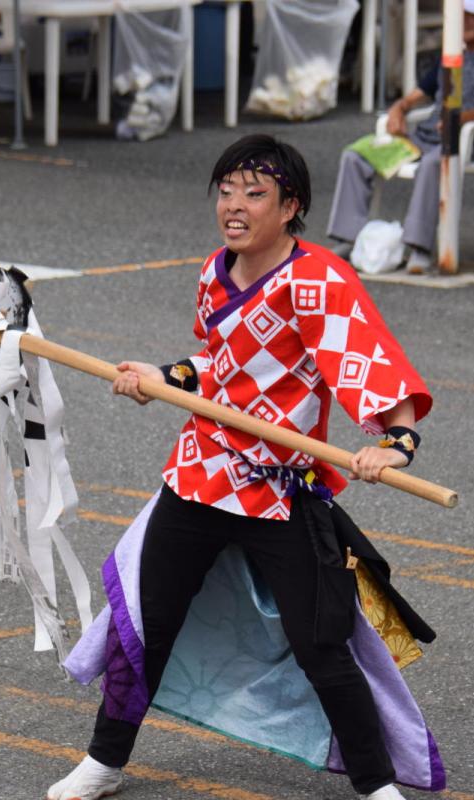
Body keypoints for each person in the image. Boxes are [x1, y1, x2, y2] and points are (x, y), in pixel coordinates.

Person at [49, 134, 445, 800]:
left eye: (254, 194)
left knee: (322, 643)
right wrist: (164, 374)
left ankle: (378, 787)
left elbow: (368, 366)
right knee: (145, 627)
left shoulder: (317, 280)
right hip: (200, 473)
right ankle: (104, 760)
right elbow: (219, 367)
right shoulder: (215, 271)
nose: (234, 207)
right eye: (227, 192)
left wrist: (395, 443)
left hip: (279, 490)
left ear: (290, 207)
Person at [326, 0, 474, 273]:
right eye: (461, 15)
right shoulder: (452, 54)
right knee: (355, 156)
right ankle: (348, 238)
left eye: (473, 16)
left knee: (434, 164)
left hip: (468, 142)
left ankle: (419, 247)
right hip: (424, 136)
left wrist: (463, 119)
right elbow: (414, 97)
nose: (464, 21)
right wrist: (398, 109)